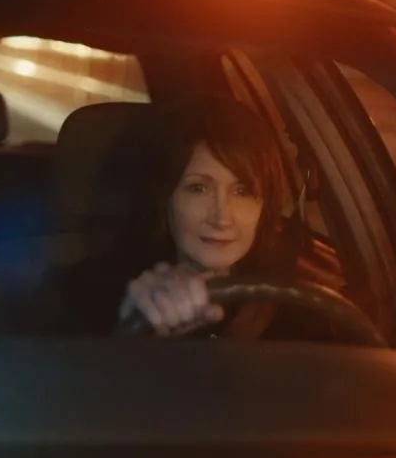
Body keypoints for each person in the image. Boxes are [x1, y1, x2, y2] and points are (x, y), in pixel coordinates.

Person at [62, 97, 293, 337]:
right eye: (198, 188)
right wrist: (130, 328)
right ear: (165, 197)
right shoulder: (86, 298)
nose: (222, 218)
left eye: (242, 192)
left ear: (264, 205)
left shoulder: (294, 306)